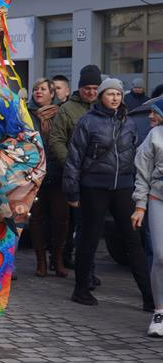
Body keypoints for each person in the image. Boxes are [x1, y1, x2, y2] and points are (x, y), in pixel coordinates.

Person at [64, 78, 153, 310]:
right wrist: (72, 191)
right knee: (90, 238)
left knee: (133, 240)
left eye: (118, 94)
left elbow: (135, 153)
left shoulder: (128, 122)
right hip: (94, 186)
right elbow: (74, 158)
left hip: (123, 186)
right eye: (110, 93)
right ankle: (81, 290)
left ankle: (149, 297)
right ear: (101, 96)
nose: (115, 98)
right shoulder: (88, 121)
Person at [48, 65, 101, 276]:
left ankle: (83, 266)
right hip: (75, 175)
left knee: (90, 224)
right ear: (80, 88)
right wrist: (71, 164)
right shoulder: (68, 109)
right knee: (77, 222)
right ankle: (82, 268)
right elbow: (57, 140)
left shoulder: (104, 106)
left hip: (100, 176)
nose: (91, 92)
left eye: (95, 88)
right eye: (87, 88)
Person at [26, 78, 65, 277]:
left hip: (58, 172)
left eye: (43, 89)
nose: (38, 92)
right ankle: (40, 261)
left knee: (61, 218)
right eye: (35, 89)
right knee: (36, 218)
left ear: (52, 93)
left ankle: (57, 259)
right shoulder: (27, 114)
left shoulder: (61, 113)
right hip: (35, 174)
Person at [132, 97, 163, 336]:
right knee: (160, 256)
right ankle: (159, 311)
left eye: (155, 112)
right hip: (157, 199)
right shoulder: (154, 136)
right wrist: (140, 206)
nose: (150, 116)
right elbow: (142, 174)